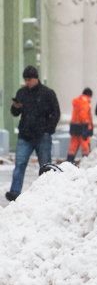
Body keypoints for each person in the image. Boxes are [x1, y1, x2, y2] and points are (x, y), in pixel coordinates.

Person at [7, 66, 60, 202]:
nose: (27, 82)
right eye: (25, 79)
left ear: (36, 78)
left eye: (29, 79)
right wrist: (15, 107)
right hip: (25, 135)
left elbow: (56, 112)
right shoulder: (22, 93)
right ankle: (14, 192)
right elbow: (15, 113)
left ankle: (47, 192)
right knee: (20, 164)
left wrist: (49, 129)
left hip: (42, 135)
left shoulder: (48, 93)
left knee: (45, 165)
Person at [66, 88, 94, 164]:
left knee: (73, 144)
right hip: (82, 126)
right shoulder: (84, 101)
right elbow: (84, 114)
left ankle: (69, 160)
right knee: (85, 144)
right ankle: (86, 161)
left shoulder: (78, 101)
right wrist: (86, 126)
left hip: (74, 126)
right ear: (89, 95)